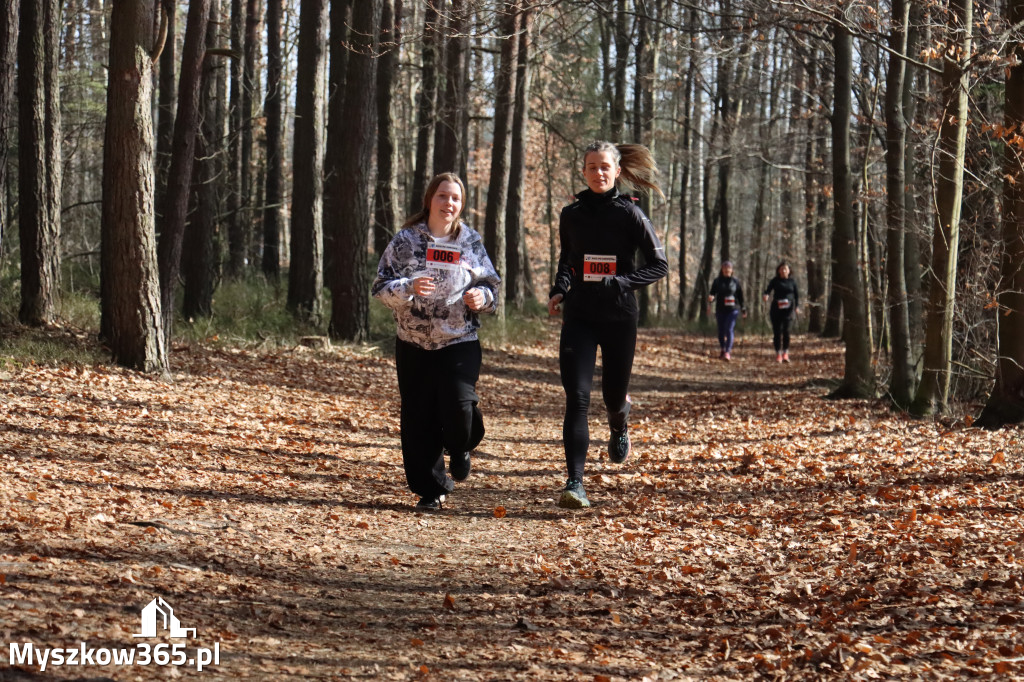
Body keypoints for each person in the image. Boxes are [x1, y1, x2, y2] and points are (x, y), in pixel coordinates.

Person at [547, 141, 669, 509]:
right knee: (577, 399)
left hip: (618, 317)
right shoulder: (571, 214)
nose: (598, 172)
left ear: (617, 171)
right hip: (580, 317)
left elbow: (659, 264)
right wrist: (560, 289)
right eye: (591, 166)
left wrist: (623, 282)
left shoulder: (630, 214)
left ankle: (619, 421)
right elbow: (568, 260)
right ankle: (575, 483)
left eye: (605, 167)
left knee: (612, 397)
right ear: (582, 171)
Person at [372, 173, 500, 510]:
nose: (449, 203)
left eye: (455, 198)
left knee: (459, 410)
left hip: (459, 341)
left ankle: (460, 446)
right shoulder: (406, 241)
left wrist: (481, 298)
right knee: (419, 418)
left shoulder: (469, 242)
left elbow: (493, 290)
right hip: (412, 343)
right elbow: (380, 289)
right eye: (443, 196)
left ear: (462, 204)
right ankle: (431, 490)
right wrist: (408, 288)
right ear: (430, 199)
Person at [707, 261, 746, 361]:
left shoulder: (736, 282)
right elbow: (712, 293)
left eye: (728, 268)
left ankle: (728, 352)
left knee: (729, 329)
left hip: (733, 309)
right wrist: (711, 299)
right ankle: (723, 349)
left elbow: (740, 297)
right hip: (720, 309)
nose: (726, 270)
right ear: (722, 270)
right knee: (721, 331)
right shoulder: (717, 281)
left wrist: (743, 309)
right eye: (725, 268)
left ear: (732, 270)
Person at [762, 261, 799, 363]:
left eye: (785, 269)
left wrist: (797, 307)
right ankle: (778, 353)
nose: (783, 271)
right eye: (781, 269)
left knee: (786, 331)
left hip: (789, 310)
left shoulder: (792, 282)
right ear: (778, 270)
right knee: (777, 332)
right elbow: (768, 290)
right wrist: (766, 295)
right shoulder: (775, 281)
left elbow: (796, 296)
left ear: (789, 270)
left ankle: (785, 353)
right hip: (776, 310)